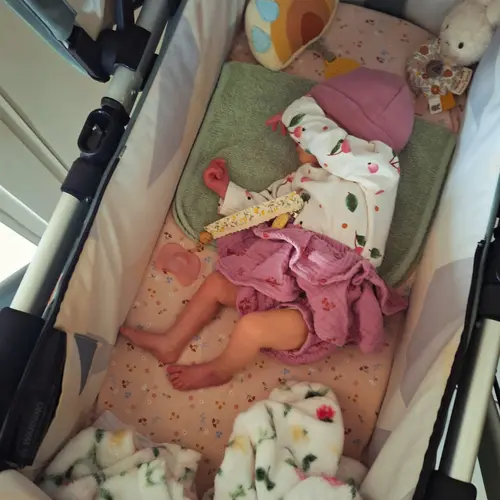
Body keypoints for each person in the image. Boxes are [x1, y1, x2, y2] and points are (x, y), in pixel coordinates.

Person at [121, 68, 414, 391]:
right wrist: (226, 191)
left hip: (323, 301)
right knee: (218, 283)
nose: (295, 138)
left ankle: (220, 369)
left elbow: (334, 149)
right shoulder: (303, 179)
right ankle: (171, 342)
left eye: (306, 131)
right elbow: (266, 208)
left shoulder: (378, 174)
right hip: (280, 279)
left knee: (252, 329)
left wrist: (299, 116)